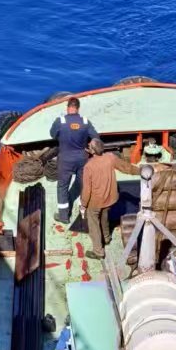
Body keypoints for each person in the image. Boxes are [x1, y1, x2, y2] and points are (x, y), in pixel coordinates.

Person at [79, 137, 139, 257]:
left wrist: (83, 204)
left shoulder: (88, 167)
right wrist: (141, 171)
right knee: (104, 217)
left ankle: (98, 251)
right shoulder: (110, 157)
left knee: (94, 225)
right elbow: (126, 168)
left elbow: (87, 190)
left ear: (92, 151)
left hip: (94, 202)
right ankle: (106, 237)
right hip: (110, 198)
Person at [48, 96, 99, 224]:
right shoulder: (86, 122)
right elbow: (96, 138)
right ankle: (84, 208)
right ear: (78, 108)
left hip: (65, 159)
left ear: (68, 107)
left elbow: (52, 134)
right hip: (82, 157)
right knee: (82, 183)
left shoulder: (60, 121)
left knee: (62, 186)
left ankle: (64, 217)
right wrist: (90, 149)